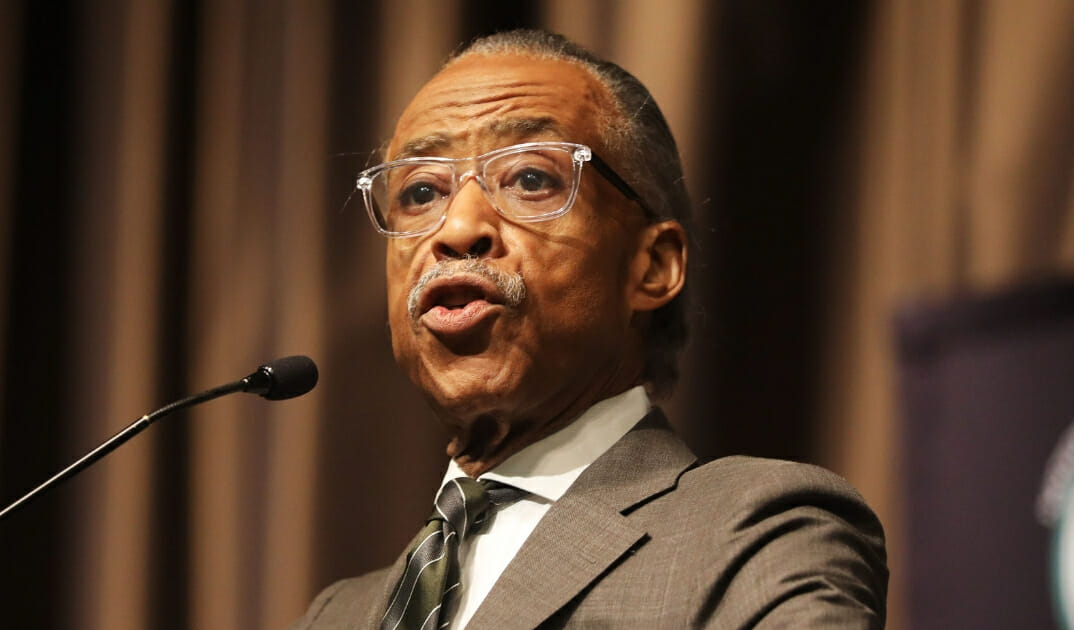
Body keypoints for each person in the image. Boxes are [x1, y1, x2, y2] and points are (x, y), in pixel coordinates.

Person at [290, 29, 887, 629]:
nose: (457, 228)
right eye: (421, 192)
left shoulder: (756, 533)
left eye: (529, 178)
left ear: (651, 267)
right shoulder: (338, 614)